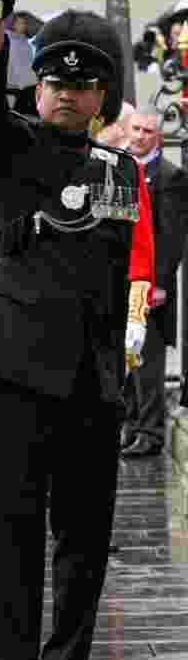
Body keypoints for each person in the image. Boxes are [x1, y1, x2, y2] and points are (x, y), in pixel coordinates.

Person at [0, 0, 155, 660]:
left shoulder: (119, 168)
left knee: (86, 537)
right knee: (15, 531)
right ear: (38, 88)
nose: (66, 95)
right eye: (55, 83)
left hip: (94, 372)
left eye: (82, 85)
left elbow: (124, 272)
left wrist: (128, 364)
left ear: (102, 95)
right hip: (18, 365)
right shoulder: (12, 145)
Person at [122, 105, 188, 458]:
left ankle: (151, 431)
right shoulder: (123, 170)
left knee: (147, 362)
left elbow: (171, 237)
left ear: (158, 137)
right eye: (135, 129)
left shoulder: (169, 176)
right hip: (125, 282)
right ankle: (132, 425)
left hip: (152, 287)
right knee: (128, 359)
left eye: (147, 131)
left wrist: (159, 284)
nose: (139, 137)